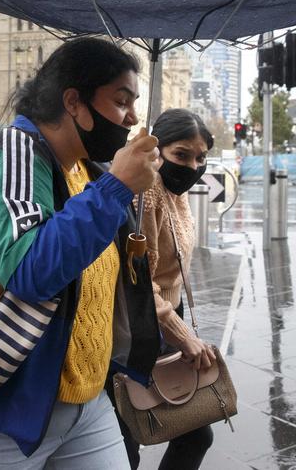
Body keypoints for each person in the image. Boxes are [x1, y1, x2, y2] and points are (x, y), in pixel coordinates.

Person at [0, 37, 161, 469]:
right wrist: (117, 188)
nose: (131, 117)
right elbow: (28, 270)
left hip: (86, 401)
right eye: (120, 100)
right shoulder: (13, 153)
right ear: (73, 102)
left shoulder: (87, 170)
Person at [130, 108, 217, 470]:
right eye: (181, 155)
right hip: (144, 327)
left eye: (200, 158)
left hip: (168, 319)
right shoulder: (146, 193)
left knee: (191, 432)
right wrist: (181, 335)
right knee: (132, 429)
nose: (193, 166)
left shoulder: (173, 192)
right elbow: (136, 282)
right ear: (157, 148)